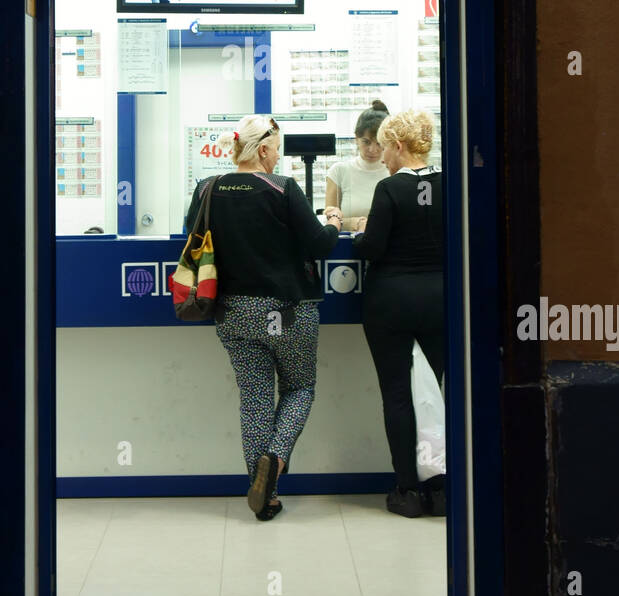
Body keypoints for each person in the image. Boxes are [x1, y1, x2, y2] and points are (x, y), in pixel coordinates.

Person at [185, 114, 341, 521]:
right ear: (265, 149)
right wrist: (334, 220)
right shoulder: (283, 188)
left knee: (254, 402)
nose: (279, 156)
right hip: (288, 310)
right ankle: (276, 456)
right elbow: (321, 245)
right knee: (300, 388)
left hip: (234, 311)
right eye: (278, 148)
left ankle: (265, 494)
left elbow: (192, 234)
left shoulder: (208, 188)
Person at [352, 109, 445, 519]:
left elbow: (373, 248)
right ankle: (442, 486)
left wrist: (355, 233)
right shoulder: (448, 183)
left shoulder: (389, 190)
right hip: (441, 299)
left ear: (400, 146)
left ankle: (407, 490)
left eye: (386, 146)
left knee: (397, 393)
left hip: (390, 301)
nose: (383, 155)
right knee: (443, 393)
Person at [324, 100, 390, 231]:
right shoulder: (339, 171)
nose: (372, 149)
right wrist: (355, 223)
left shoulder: (395, 173)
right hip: (348, 246)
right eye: (366, 142)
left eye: (379, 143)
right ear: (356, 138)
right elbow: (329, 220)